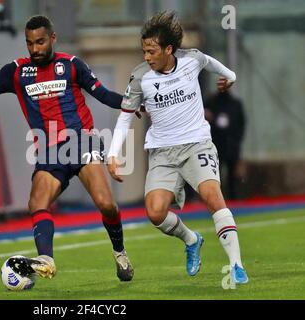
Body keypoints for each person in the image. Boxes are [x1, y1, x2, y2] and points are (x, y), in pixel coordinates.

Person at [0, 15, 134, 282]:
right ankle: (46, 258)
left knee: (106, 204)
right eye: (30, 43)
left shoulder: (71, 65)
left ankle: (119, 252)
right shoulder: (16, 71)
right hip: (49, 149)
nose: (35, 49)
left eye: (40, 42)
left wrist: (130, 104)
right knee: (37, 202)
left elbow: (102, 93)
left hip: (82, 140)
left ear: (52, 39)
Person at [107, 11, 249, 284]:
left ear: (168, 48)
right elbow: (126, 116)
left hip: (197, 145)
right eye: (144, 51)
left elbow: (215, 65)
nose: (146, 57)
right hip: (162, 152)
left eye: (151, 51)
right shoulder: (139, 77)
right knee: (155, 212)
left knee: (212, 195)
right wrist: (113, 154)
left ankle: (236, 265)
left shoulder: (191, 60)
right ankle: (191, 239)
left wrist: (230, 77)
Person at [204, 90, 246, 200]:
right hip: (215, 143)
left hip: (231, 144)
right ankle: (217, 198)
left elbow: (241, 123)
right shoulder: (211, 102)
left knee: (232, 174)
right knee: (215, 173)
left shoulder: (235, 103)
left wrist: (237, 141)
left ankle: (233, 197)